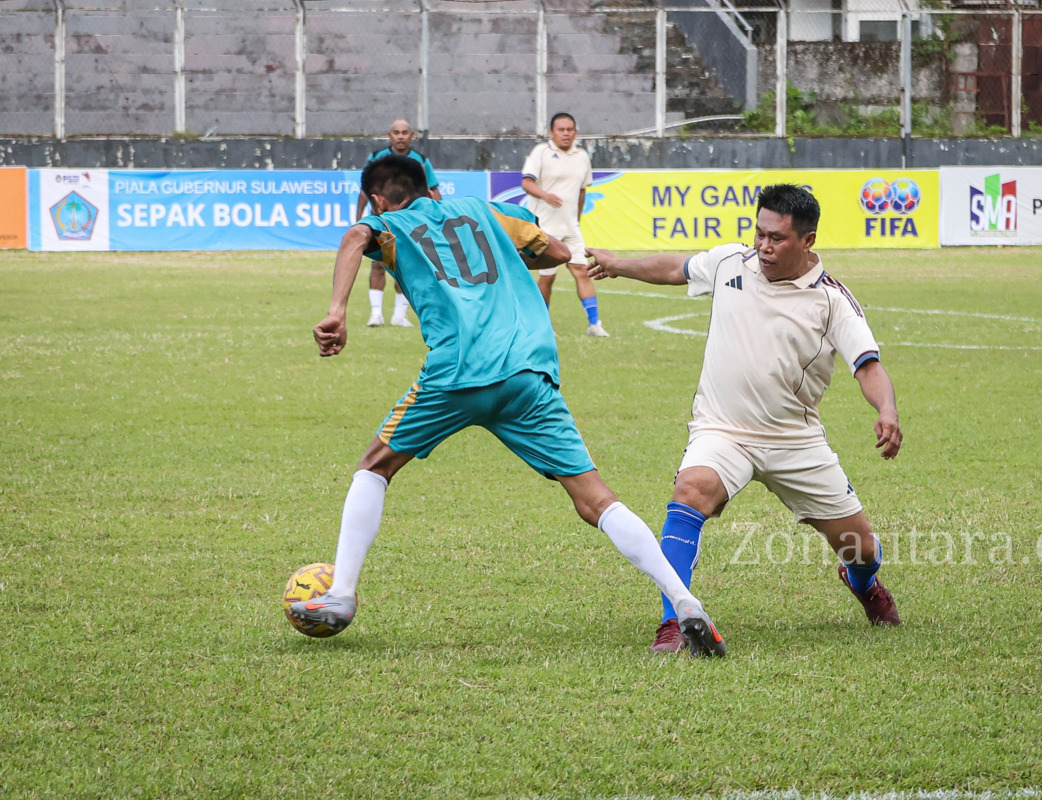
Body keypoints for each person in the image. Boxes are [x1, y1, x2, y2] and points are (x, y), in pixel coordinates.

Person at [289, 154, 725, 657]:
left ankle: (341, 594)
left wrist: (336, 312)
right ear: (430, 188)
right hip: (529, 373)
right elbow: (559, 251)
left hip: (457, 373)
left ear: (379, 198)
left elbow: (353, 238)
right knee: (595, 499)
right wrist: (509, 257)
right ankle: (685, 600)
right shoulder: (488, 211)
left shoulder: (386, 223)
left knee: (375, 466)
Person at [586, 184, 903, 654]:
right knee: (690, 492)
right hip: (722, 430)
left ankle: (863, 583)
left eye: (777, 238)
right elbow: (676, 268)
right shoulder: (731, 262)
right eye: (759, 233)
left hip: (795, 440)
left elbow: (867, 365)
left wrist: (887, 410)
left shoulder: (832, 299)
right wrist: (618, 265)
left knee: (861, 548)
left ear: (807, 240)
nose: (764, 246)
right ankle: (675, 620)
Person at [521, 112, 608, 338]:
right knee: (548, 277)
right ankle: (542, 325)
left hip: (571, 228)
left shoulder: (582, 156)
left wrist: (576, 219)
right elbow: (526, 182)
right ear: (552, 132)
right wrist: (545, 195)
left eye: (570, 129)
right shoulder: (541, 152)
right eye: (561, 130)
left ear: (575, 132)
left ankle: (595, 324)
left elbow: (582, 190)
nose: (566, 134)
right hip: (545, 227)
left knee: (582, 271)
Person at [356, 118, 443, 328]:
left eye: (405, 132)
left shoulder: (421, 161)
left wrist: (437, 215)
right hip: (383, 220)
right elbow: (364, 190)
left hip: (410, 222)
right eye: (396, 132)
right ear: (390, 135)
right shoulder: (377, 158)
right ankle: (376, 314)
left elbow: (434, 191)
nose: (401, 136)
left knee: (406, 266)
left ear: (412, 136)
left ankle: (399, 315)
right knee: (378, 264)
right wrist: (359, 216)